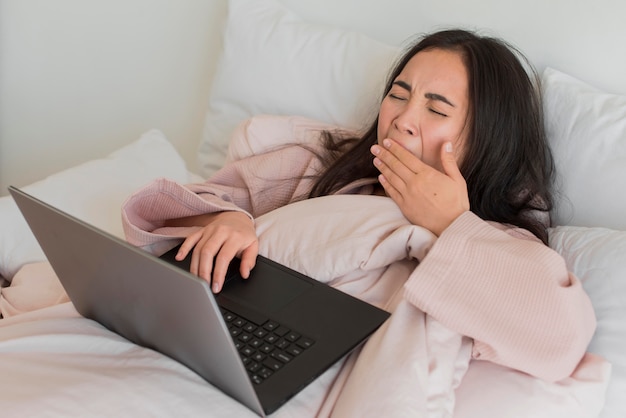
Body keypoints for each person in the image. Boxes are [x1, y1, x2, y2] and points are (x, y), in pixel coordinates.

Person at [122, 29, 595, 384]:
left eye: (436, 109)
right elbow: (186, 207)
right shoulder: (317, 168)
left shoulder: (503, 244)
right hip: (210, 345)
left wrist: (451, 224)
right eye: (399, 94)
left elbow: (558, 340)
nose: (404, 121)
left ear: (488, 139)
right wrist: (227, 220)